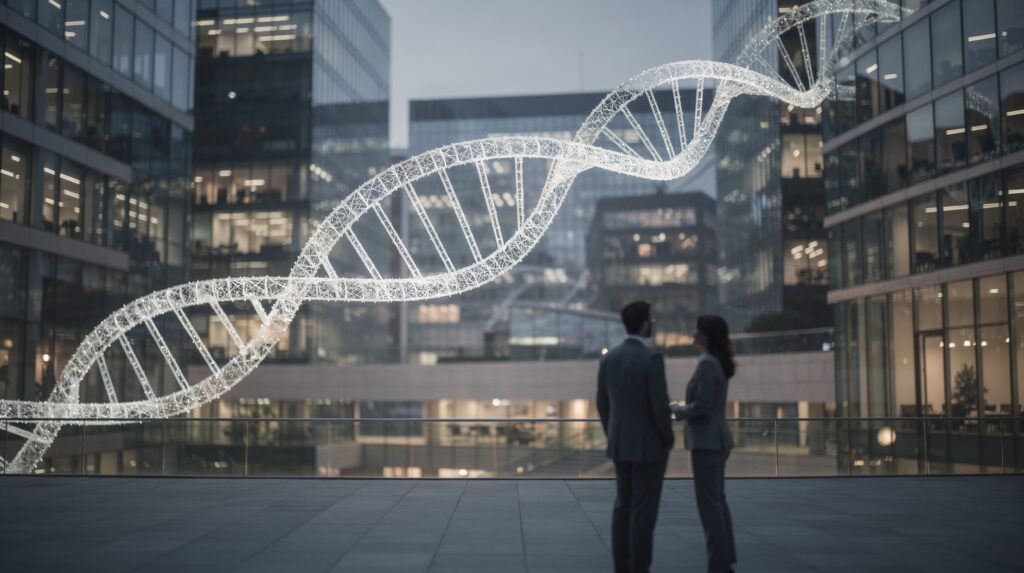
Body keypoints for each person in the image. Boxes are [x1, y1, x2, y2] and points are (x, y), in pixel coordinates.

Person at [597, 301, 674, 573]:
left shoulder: (609, 358)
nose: (653, 323)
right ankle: (640, 567)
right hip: (649, 447)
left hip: (619, 443)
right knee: (644, 511)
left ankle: (622, 566)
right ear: (644, 324)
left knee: (623, 507)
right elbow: (659, 406)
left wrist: (612, 434)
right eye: (651, 319)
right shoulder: (652, 359)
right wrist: (668, 438)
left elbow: (602, 403)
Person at [672, 315, 737, 573]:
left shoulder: (707, 364)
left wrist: (678, 409)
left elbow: (702, 406)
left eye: (697, 329)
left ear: (706, 336)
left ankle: (718, 564)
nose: (693, 332)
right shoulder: (716, 362)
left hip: (707, 440)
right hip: (716, 438)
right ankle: (724, 560)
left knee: (709, 505)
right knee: (717, 502)